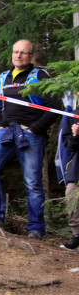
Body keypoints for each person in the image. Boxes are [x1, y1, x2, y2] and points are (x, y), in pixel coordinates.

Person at [0, 40, 60, 239]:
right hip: (5, 132)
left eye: (23, 53)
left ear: (32, 56)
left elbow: (55, 106)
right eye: (15, 52)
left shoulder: (39, 75)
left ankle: (36, 228)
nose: (18, 56)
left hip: (30, 134)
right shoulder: (3, 77)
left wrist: (35, 128)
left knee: (32, 181)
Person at [60, 104, 79, 250]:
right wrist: (75, 135)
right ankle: (77, 235)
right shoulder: (73, 114)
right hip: (77, 163)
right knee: (71, 192)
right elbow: (68, 145)